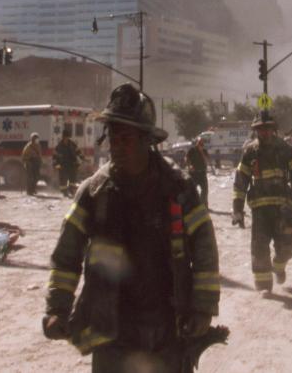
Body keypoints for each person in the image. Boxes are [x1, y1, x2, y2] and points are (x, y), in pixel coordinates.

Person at [43, 83, 221, 372]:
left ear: (146, 140)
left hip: (168, 327)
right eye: (112, 137)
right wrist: (57, 309)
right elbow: (67, 255)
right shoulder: (94, 191)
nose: (116, 145)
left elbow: (204, 249)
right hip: (111, 330)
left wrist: (203, 307)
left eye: (125, 137)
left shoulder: (178, 188)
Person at [232, 113, 292, 293]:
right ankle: (264, 285)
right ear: (256, 130)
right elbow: (241, 181)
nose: (264, 132)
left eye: (267, 129)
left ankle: (279, 266)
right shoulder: (250, 152)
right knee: (259, 248)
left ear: (274, 129)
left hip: (283, 208)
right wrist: (237, 209)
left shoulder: (287, 150)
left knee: (287, 245)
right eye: (260, 129)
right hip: (260, 209)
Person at [53, 130, 85, 198]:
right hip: (63, 165)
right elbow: (55, 156)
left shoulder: (72, 144)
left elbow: (78, 151)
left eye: (67, 137)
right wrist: (56, 165)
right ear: (63, 137)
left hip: (72, 164)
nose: (66, 139)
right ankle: (64, 192)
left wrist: (82, 158)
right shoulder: (59, 146)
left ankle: (72, 191)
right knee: (63, 179)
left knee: (73, 179)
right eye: (65, 137)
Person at [186, 136, 211, 206]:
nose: (201, 145)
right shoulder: (192, 150)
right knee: (192, 190)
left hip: (202, 173)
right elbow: (187, 158)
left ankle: (203, 204)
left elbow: (208, 159)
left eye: (202, 143)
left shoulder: (204, 150)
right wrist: (189, 166)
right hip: (194, 174)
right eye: (199, 143)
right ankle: (192, 205)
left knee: (205, 190)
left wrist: (202, 153)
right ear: (197, 143)